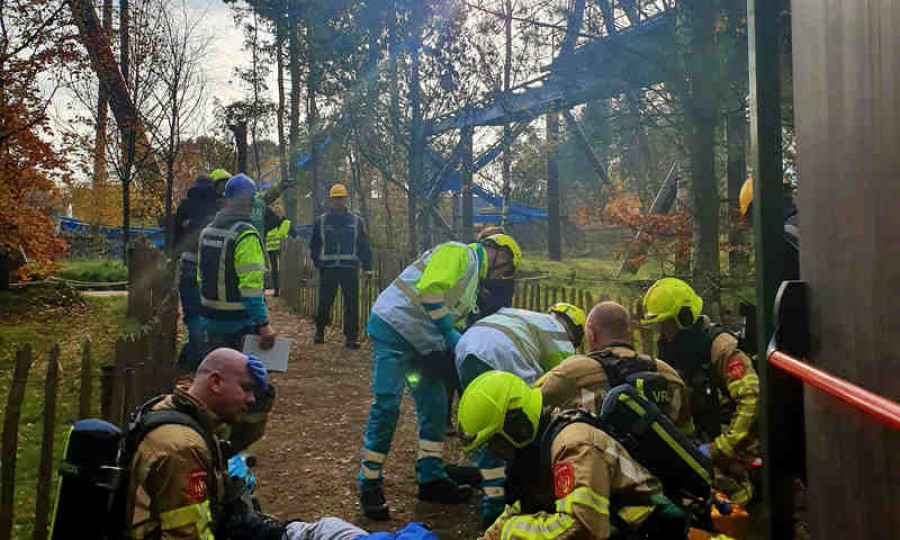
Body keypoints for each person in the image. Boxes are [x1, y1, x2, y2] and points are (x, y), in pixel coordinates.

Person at [358, 233, 522, 521]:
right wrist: (448, 332)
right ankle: (370, 483)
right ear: (497, 252)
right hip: (393, 329)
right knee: (387, 406)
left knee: (434, 406)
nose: (501, 276)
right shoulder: (458, 253)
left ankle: (431, 477)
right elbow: (431, 290)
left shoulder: (472, 283)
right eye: (506, 268)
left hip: (423, 343)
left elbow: (451, 314)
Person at [123, 347, 368, 540]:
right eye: (247, 389)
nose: (251, 399)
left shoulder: (177, 408)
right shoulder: (184, 449)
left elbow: (229, 442)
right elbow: (186, 534)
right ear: (216, 382)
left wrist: (262, 403)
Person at [458, 371, 684, 539]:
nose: (493, 452)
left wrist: (511, 533)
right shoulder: (532, 451)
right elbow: (518, 509)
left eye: (494, 443)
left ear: (515, 424)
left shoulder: (574, 444)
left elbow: (583, 527)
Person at [453, 302, 585, 525]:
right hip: (505, 355)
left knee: (486, 427)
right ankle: (502, 505)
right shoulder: (561, 337)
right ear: (575, 331)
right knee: (520, 429)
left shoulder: (529, 317)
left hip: (468, 345)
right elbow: (559, 386)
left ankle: (491, 494)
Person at [641, 278, 759, 505]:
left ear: (684, 317)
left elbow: (751, 399)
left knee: (735, 507)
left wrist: (722, 447)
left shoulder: (721, 347)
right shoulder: (672, 349)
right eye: (660, 326)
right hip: (699, 444)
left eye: (667, 325)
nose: (664, 334)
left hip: (738, 448)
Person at [536, 301, 694, 434]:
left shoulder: (572, 371)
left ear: (591, 335)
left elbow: (532, 406)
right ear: (629, 333)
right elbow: (686, 431)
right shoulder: (667, 373)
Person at [198, 173, 277, 353]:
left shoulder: (207, 232)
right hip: (238, 323)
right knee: (242, 377)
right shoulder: (245, 234)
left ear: (226, 200)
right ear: (250, 201)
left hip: (210, 320)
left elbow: (200, 277)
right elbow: (251, 287)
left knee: (218, 375)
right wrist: (262, 324)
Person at [309, 183, 373, 349]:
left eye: (341, 198)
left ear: (346, 199)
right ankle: (320, 331)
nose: (339, 201)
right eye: (336, 198)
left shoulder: (356, 221)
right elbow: (314, 244)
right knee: (324, 301)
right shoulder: (321, 221)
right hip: (328, 268)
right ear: (331, 200)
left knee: (352, 304)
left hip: (349, 268)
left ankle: (351, 337)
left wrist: (367, 266)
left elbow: (364, 245)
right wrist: (318, 262)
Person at [173, 174, 220, 371]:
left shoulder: (185, 205)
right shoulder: (218, 207)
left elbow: (176, 236)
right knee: (210, 312)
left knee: (192, 314)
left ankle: (199, 358)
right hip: (212, 267)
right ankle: (210, 355)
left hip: (189, 263)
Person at [265, 213, 295, 297]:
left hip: (283, 249)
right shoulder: (268, 222)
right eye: (275, 211)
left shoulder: (287, 222)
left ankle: (284, 289)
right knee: (274, 270)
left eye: (279, 210)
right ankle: (277, 290)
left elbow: (294, 234)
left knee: (284, 269)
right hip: (272, 249)